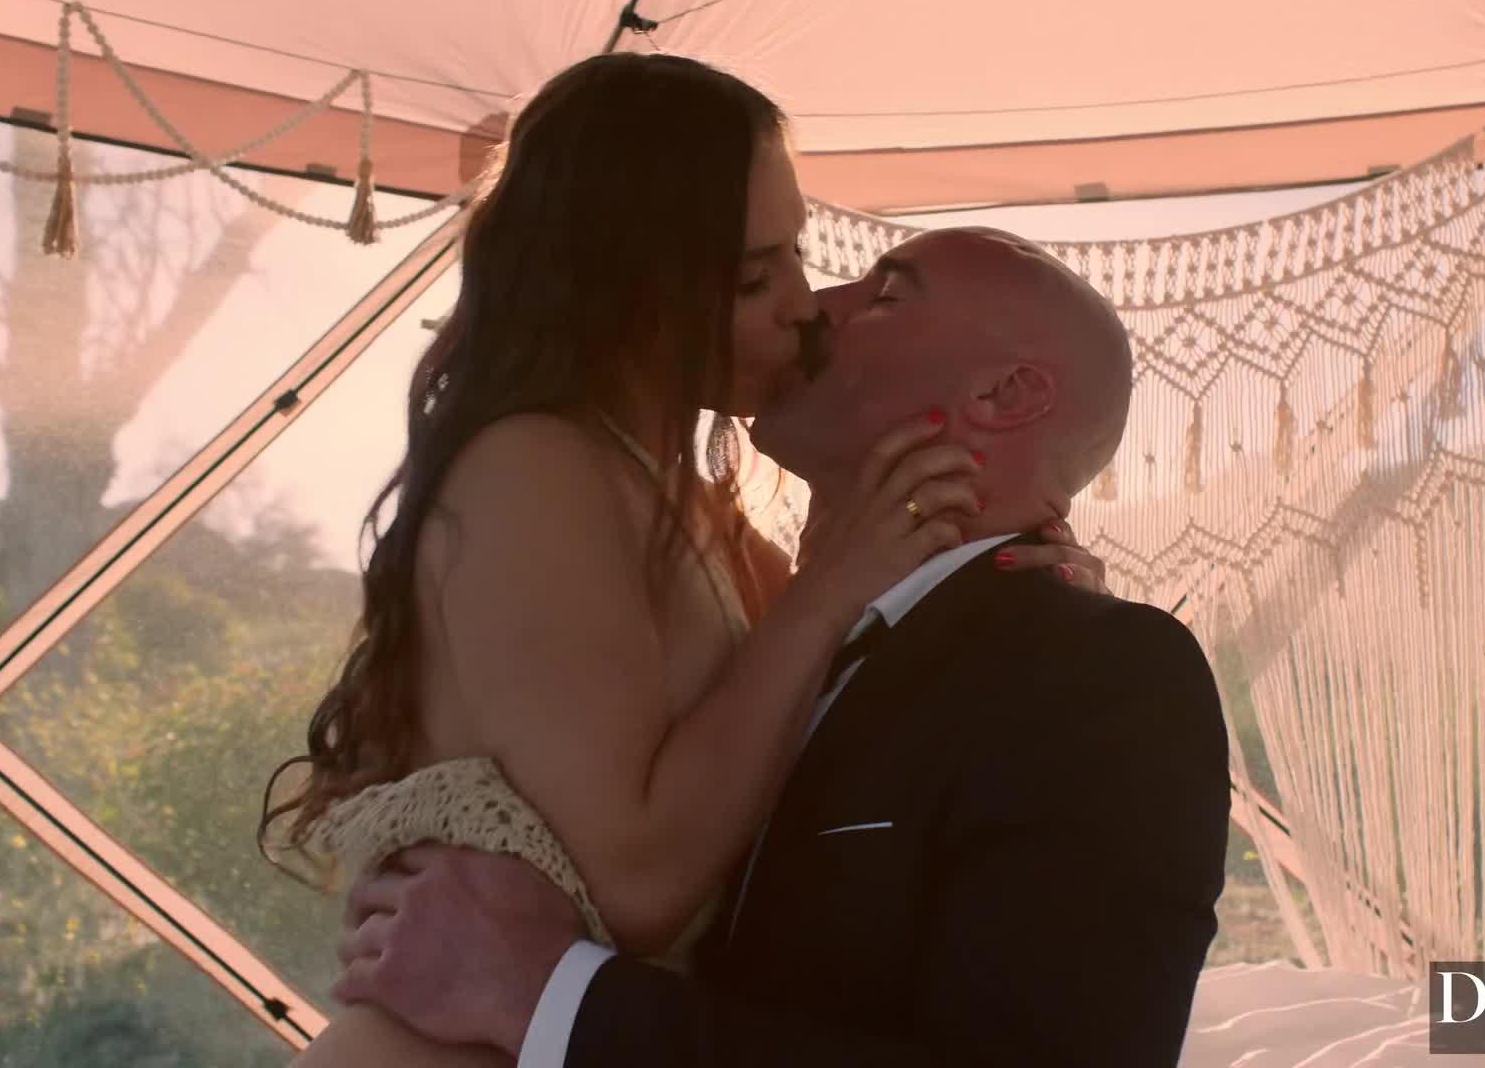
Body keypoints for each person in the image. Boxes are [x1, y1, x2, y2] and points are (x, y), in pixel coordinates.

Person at [266, 54, 1106, 1064]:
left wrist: (1023, 588)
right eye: (754, 277)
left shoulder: (694, 511)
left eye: (795, 254)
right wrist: (833, 584)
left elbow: (820, 710)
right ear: (626, 289)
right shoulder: (536, 466)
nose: (803, 306)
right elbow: (635, 886)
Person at [330, 227, 1232, 1066]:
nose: (810, 307)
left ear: (1005, 396)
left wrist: (551, 995)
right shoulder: (757, 617)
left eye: (884, 295)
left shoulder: (1099, 675)